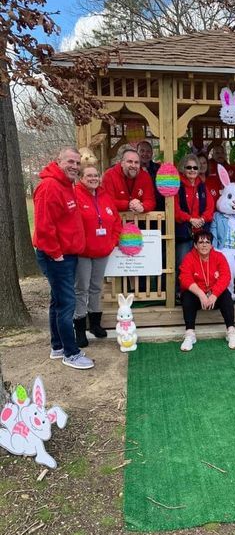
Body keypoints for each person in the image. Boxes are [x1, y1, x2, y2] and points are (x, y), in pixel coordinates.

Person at [33, 147, 94, 370]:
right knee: (67, 303)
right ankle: (71, 353)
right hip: (57, 257)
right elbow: (43, 227)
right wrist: (56, 254)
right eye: (70, 162)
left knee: (57, 301)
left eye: (77, 163)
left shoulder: (67, 185)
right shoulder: (50, 186)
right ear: (58, 161)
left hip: (66, 254)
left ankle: (57, 346)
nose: (74, 166)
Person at [73, 165, 122, 348]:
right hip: (83, 252)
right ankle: (79, 328)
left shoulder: (105, 196)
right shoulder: (75, 195)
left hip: (102, 251)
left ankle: (95, 324)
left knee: (96, 287)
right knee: (81, 288)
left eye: (96, 175)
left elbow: (116, 221)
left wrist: (112, 242)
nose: (93, 178)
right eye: (89, 176)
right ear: (81, 178)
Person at [179, 230, 235, 351]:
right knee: (186, 296)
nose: (204, 245)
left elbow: (225, 276)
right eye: (201, 242)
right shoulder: (189, 257)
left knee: (226, 295)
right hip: (198, 297)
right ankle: (190, 334)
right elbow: (184, 278)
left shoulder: (219, 256)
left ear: (211, 245)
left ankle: (231, 331)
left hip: (214, 297)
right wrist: (201, 294)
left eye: (207, 242)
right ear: (195, 245)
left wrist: (214, 294)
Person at [174, 154, 215, 288]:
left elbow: (210, 207)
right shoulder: (177, 186)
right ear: (183, 168)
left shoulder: (202, 185)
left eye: (195, 167)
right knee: (183, 262)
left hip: (200, 232)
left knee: (201, 263)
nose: (192, 170)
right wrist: (190, 219)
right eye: (189, 167)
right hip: (184, 232)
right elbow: (175, 209)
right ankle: (181, 291)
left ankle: (201, 289)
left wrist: (202, 219)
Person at [102, 148, 156, 213]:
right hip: (115, 218)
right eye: (130, 161)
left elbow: (150, 200)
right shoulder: (109, 175)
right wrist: (128, 204)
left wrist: (143, 207)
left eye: (136, 162)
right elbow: (107, 201)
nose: (133, 165)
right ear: (122, 163)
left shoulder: (145, 176)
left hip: (139, 217)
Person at [137, 140, 164, 211]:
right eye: (142, 151)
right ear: (137, 152)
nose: (145, 154)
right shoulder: (133, 169)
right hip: (136, 209)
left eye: (148, 151)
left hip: (158, 210)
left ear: (152, 154)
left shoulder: (159, 169)